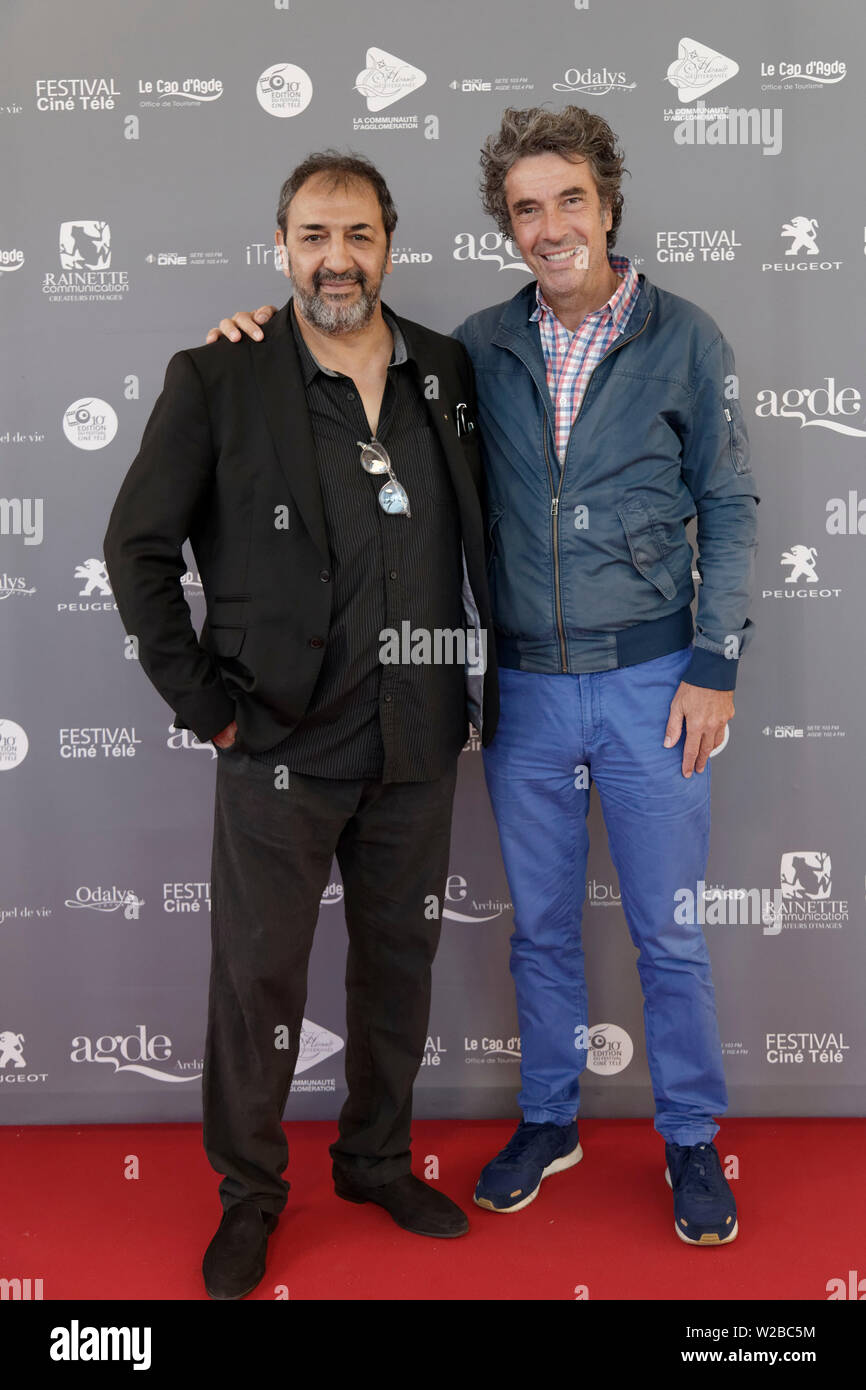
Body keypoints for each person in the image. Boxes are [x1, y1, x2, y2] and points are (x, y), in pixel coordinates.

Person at [209, 106, 759, 1248]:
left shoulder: (684, 336)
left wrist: (714, 662)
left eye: (569, 200)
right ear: (503, 225)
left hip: (657, 683)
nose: (549, 226)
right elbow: (335, 355)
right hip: (523, 695)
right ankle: (548, 1119)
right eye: (524, 208)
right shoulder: (467, 353)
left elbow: (731, 504)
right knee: (542, 932)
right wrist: (254, 341)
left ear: (608, 203)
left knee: (667, 931)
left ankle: (690, 1140)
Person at [104, 150, 498, 1300]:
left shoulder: (444, 369)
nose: (338, 259)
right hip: (276, 742)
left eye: (359, 235)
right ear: (282, 244)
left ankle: (376, 1159)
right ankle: (252, 1195)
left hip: (419, 734)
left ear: (389, 242)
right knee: (259, 982)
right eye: (315, 235)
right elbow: (134, 550)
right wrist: (209, 710)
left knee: (398, 967)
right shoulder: (218, 376)